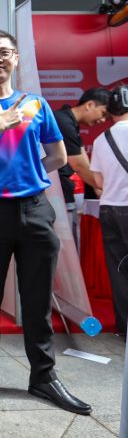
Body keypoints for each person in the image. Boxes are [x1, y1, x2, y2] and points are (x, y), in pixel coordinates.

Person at [0, 29, 90, 415]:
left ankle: (43, 377)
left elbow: (58, 157)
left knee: (38, 299)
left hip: (35, 208)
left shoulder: (37, 105)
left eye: (4, 52)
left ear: (16, 58)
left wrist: (28, 176)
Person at [90, 84, 128, 336]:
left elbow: (98, 181)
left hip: (109, 209)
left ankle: (124, 329)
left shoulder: (100, 139)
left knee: (119, 270)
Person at [53, 88, 110, 247]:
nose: (102, 120)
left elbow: (84, 161)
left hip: (62, 193)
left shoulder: (69, 121)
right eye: (103, 113)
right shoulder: (63, 122)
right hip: (56, 194)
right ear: (89, 105)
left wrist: (99, 188)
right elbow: (78, 165)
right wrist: (108, 190)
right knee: (65, 247)